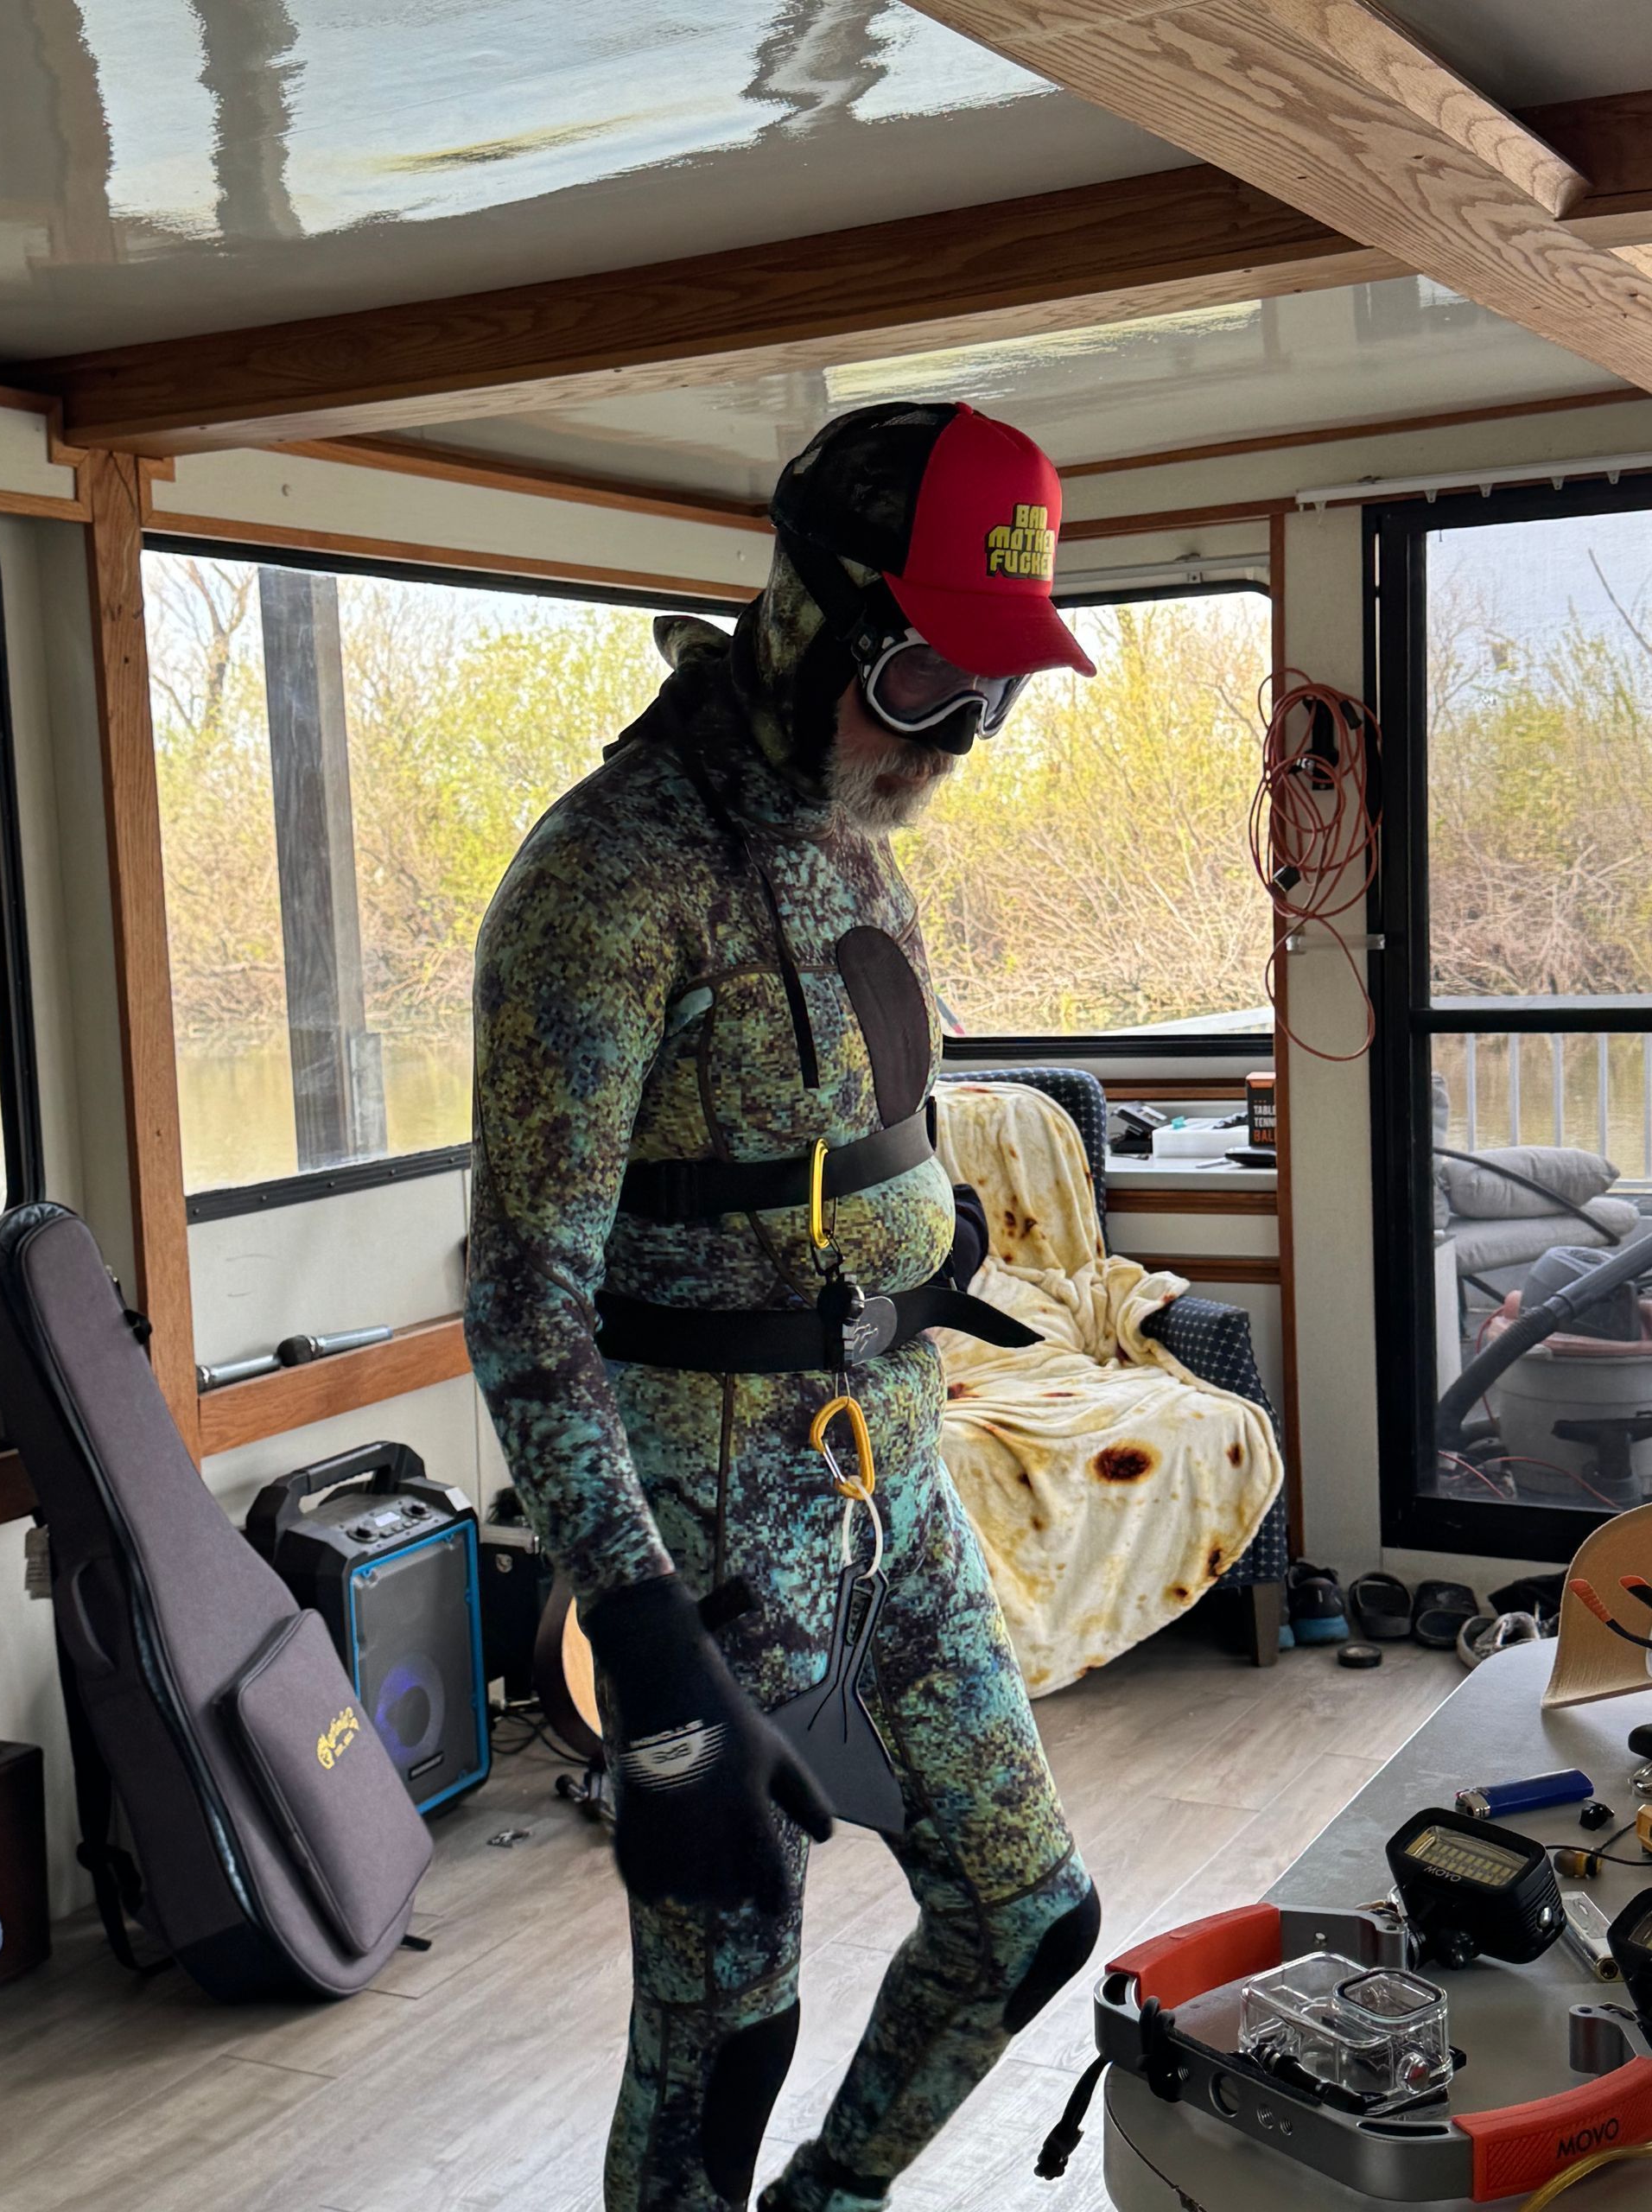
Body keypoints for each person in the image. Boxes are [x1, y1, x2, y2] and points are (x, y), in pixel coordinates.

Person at [466, 401, 1101, 2212]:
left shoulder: (850, 820)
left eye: (998, 693)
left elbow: (828, 1125)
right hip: (708, 1544)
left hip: (892, 1486)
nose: (960, 739)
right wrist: (650, 1661)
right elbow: (523, 1306)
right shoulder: (604, 880)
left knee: (1031, 1910)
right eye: (926, 685)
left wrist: (920, 1233)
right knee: (726, 2019)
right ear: (808, 614)